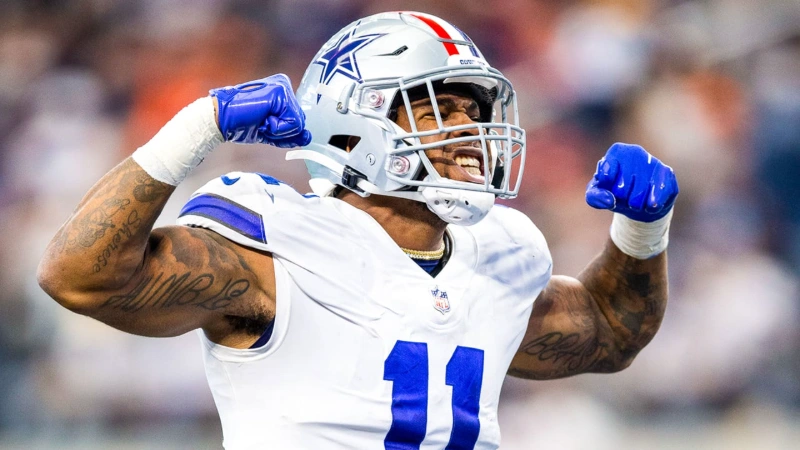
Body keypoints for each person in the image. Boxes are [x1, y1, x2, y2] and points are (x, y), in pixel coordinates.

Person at [37, 11, 678, 450]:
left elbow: (610, 335)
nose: (470, 132)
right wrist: (197, 128)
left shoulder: (499, 252)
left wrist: (642, 232)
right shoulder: (273, 240)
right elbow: (79, 278)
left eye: (473, 110)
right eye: (438, 108)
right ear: (357, 120)